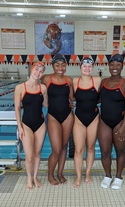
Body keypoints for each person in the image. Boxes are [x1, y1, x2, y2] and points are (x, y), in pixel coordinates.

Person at [98, 54, 125, 190]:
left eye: (118, 65)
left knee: (120, 150)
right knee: (105, 151)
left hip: (121, 122)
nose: (114, 67)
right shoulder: (103, 82)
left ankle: (119, 176)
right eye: (112, 64)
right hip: (104, 122)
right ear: (108, 66)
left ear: (122, 66)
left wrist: (124, 126)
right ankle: (108, 176)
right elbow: (96, 99)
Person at [41, 54, 75, 185]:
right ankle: (50, 175)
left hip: (67, 116)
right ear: (53, 66)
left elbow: (72, 98)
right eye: (57, 65)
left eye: (63, 65)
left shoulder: (69, 80)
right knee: (56, 149)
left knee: (64, 146)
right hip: (53, 116)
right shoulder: (46, 79)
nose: (60, 67)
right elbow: (38, 92)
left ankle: (60, 173)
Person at [14, 62, 48, 190]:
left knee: (37, 152)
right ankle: (29, 178)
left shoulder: (43, 88)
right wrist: (20, 127)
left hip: (40, 124)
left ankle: (35, 176)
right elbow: (17, 109)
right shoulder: (20, 88)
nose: (38, 72)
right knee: (29, 155)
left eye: (41, 71)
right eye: (36, 69)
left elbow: (45, 105)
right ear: (31, 70)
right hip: (26, 124)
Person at [72, 57, 101, 188]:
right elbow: (72, 97)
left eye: (90, 66)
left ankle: (88, 173)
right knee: (78, 150)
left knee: (90, 148)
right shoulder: (74, 81)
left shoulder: (97, 80)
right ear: (80, 67)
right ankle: (78, 176)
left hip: (94, 118)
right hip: (79, 119)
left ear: (92, 68)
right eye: (85, 66)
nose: (87, 68)